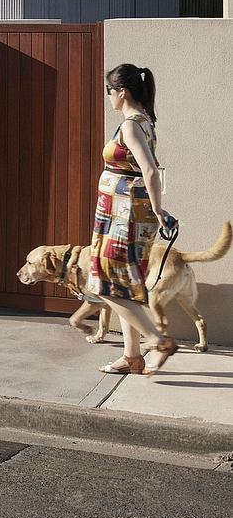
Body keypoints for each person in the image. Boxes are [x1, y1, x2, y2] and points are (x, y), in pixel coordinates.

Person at [88, 63, 178, 377]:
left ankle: (158, 340)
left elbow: (150, 170)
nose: (109, 97)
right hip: (124, 213)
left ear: (121, 92)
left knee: (107, 285)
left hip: (125, 216)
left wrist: (157, 209)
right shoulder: (145, 121)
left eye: (110, 92)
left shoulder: (129, 125)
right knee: (124, 286)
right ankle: (132, 357)